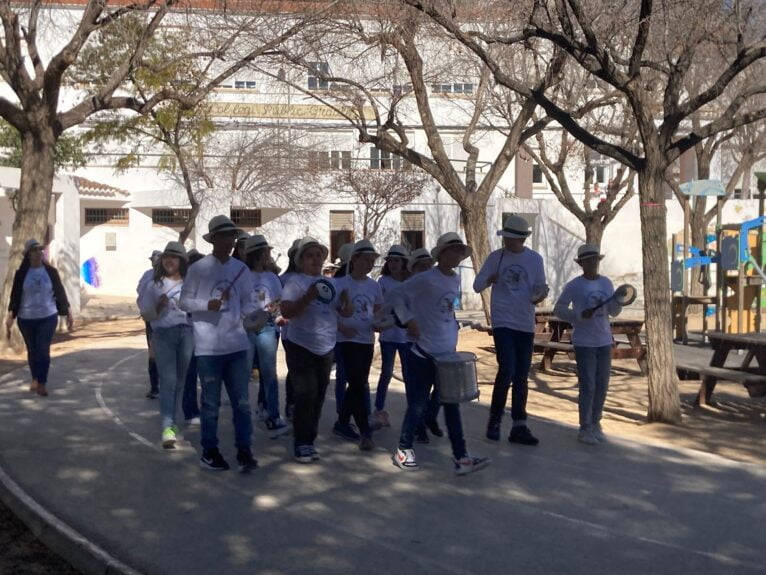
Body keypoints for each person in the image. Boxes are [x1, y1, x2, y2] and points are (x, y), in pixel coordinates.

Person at [392, 233, 491, 475]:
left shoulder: (454, 279)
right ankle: (403, 450)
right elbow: (396, 296)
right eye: (453, 250)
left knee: (452, 405)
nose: (457, 255)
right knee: (417, 405)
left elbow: (444, 310)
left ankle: (461, 457)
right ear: (442, 253)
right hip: (422, 352)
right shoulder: (425, 278)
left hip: (447, 355)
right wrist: (408, 320)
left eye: (460, 251)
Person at [179, 215, 258, 473]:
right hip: (208, 347)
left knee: (242, 403)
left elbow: (247, 300)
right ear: (212, 239)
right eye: (223, 235)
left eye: (231, 236)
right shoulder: (199, 268)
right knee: (211, 404)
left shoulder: (242, 270)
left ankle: (244, 449)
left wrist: (252, 315)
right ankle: (209, 451)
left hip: (237, 344)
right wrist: (205, 305)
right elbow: (184, 302)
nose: (228, 240)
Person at [473, 215, 547, 447]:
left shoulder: (535, 260)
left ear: (522, 239)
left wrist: (541, 294)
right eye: (506, 238)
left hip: (524, 321)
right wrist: (489, 279)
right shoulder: (496, 257)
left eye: (513, 239)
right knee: (507, 369)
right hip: (503, 319)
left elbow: (539, 288)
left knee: (521, 375)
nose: (508, 242)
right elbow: (477, 285)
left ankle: (519, 425)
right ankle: (495, 420)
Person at [280, 237, 352, 463]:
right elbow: (287, 311)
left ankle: (309, 440)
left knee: (319, 395)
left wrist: (346, 304)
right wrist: (307, 297)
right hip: (300, 345)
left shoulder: (332, 283)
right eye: (309, 255)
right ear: (300, 260)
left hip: (326, 346)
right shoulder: (294, 282)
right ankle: (301, 443)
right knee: (305, 394)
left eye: (318, 255)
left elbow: (344, 313)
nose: (315, 259)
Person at [554, 244, 622, 445]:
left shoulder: (607, 283)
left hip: (604, 340)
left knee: (602, 385)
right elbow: (559, 309)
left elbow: (614, 312)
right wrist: (577, 316)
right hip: (584, 342)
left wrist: (618, 300)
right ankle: (584, 428)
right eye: (588, 260)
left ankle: (596, 423)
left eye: (595, 260)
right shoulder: (574, 286)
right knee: (588, 385)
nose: (592, 263)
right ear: (581, 263)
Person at [137, 242, 193, 449]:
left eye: (175, 257)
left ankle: (175, 423)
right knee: (168, 381)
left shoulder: (189, 283)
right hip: (163, 335)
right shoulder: (154, 284)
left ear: (182, 262)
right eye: (167, 256)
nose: (170, 260)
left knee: (180, 381)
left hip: (187, 334)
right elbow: (145, 313)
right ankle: (167, 427)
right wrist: (157, 307)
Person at [332, 239, 383, 450]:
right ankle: (365, 431)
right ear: (354, 260)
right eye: (365, 260)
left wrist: (381, 323)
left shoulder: (374, 285)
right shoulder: (340, 284)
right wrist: (341, 327)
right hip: (347, 339)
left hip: (366, 339)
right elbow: (330, 310)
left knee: (357, 383)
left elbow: (379, 309)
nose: (369, 264)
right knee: (358, 384)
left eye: (372, 260)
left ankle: (342, 422)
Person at [6, 239, 73, 397]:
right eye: (35, 250)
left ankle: (42, 382)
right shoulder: (21, 274)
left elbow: (60, 292)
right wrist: (11, 315)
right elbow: (15, 295)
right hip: (26, 318)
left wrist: (68, 312)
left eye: (40, 250)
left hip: (47, 317)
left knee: (43, 349)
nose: (38, 252)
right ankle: (35, 377)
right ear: (28, 254)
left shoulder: (50, 272)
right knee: (32, 350)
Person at [244, 234, 290, 438]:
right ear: (257, 254)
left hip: (267, 327)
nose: (268, 256)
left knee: (269, 373)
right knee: (242, 373)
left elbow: (278, 300)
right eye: (265, 252)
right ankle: (243, 417)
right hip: (244, 328)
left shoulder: (272, 278)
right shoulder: (242, 275)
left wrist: (275, 314)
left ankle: (273, 415)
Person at [372, 244, 409, 428]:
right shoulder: (383, 282)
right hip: (388, 335)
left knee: (409, 375)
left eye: (397, 260)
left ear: (404, 262)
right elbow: (377, 307)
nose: (393, 264)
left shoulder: (411, 282)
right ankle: (379, 409)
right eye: (390, 261)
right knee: (386, 373)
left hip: (406, 335)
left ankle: (414, 411)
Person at [278, 239, 302, 421]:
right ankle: (291, 403)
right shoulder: (284, 280)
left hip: (309, 333)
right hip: (289, 333)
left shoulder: (314, 280)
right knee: (295, 369)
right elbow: (276, 305)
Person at [182, 248, 205, 425]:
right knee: (190, 374)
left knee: (205, 375)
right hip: (188, 334)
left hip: (205, 335)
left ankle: (204, 408)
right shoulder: (185, 285)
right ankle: (190, 410)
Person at [137, 250, 162, 399]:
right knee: (153, 354)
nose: (155, 263)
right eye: (153, 260)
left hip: (165, 320)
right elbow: (140, 294)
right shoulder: (147, 276)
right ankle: (155, 386)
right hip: (152, 319)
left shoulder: (169, 277)